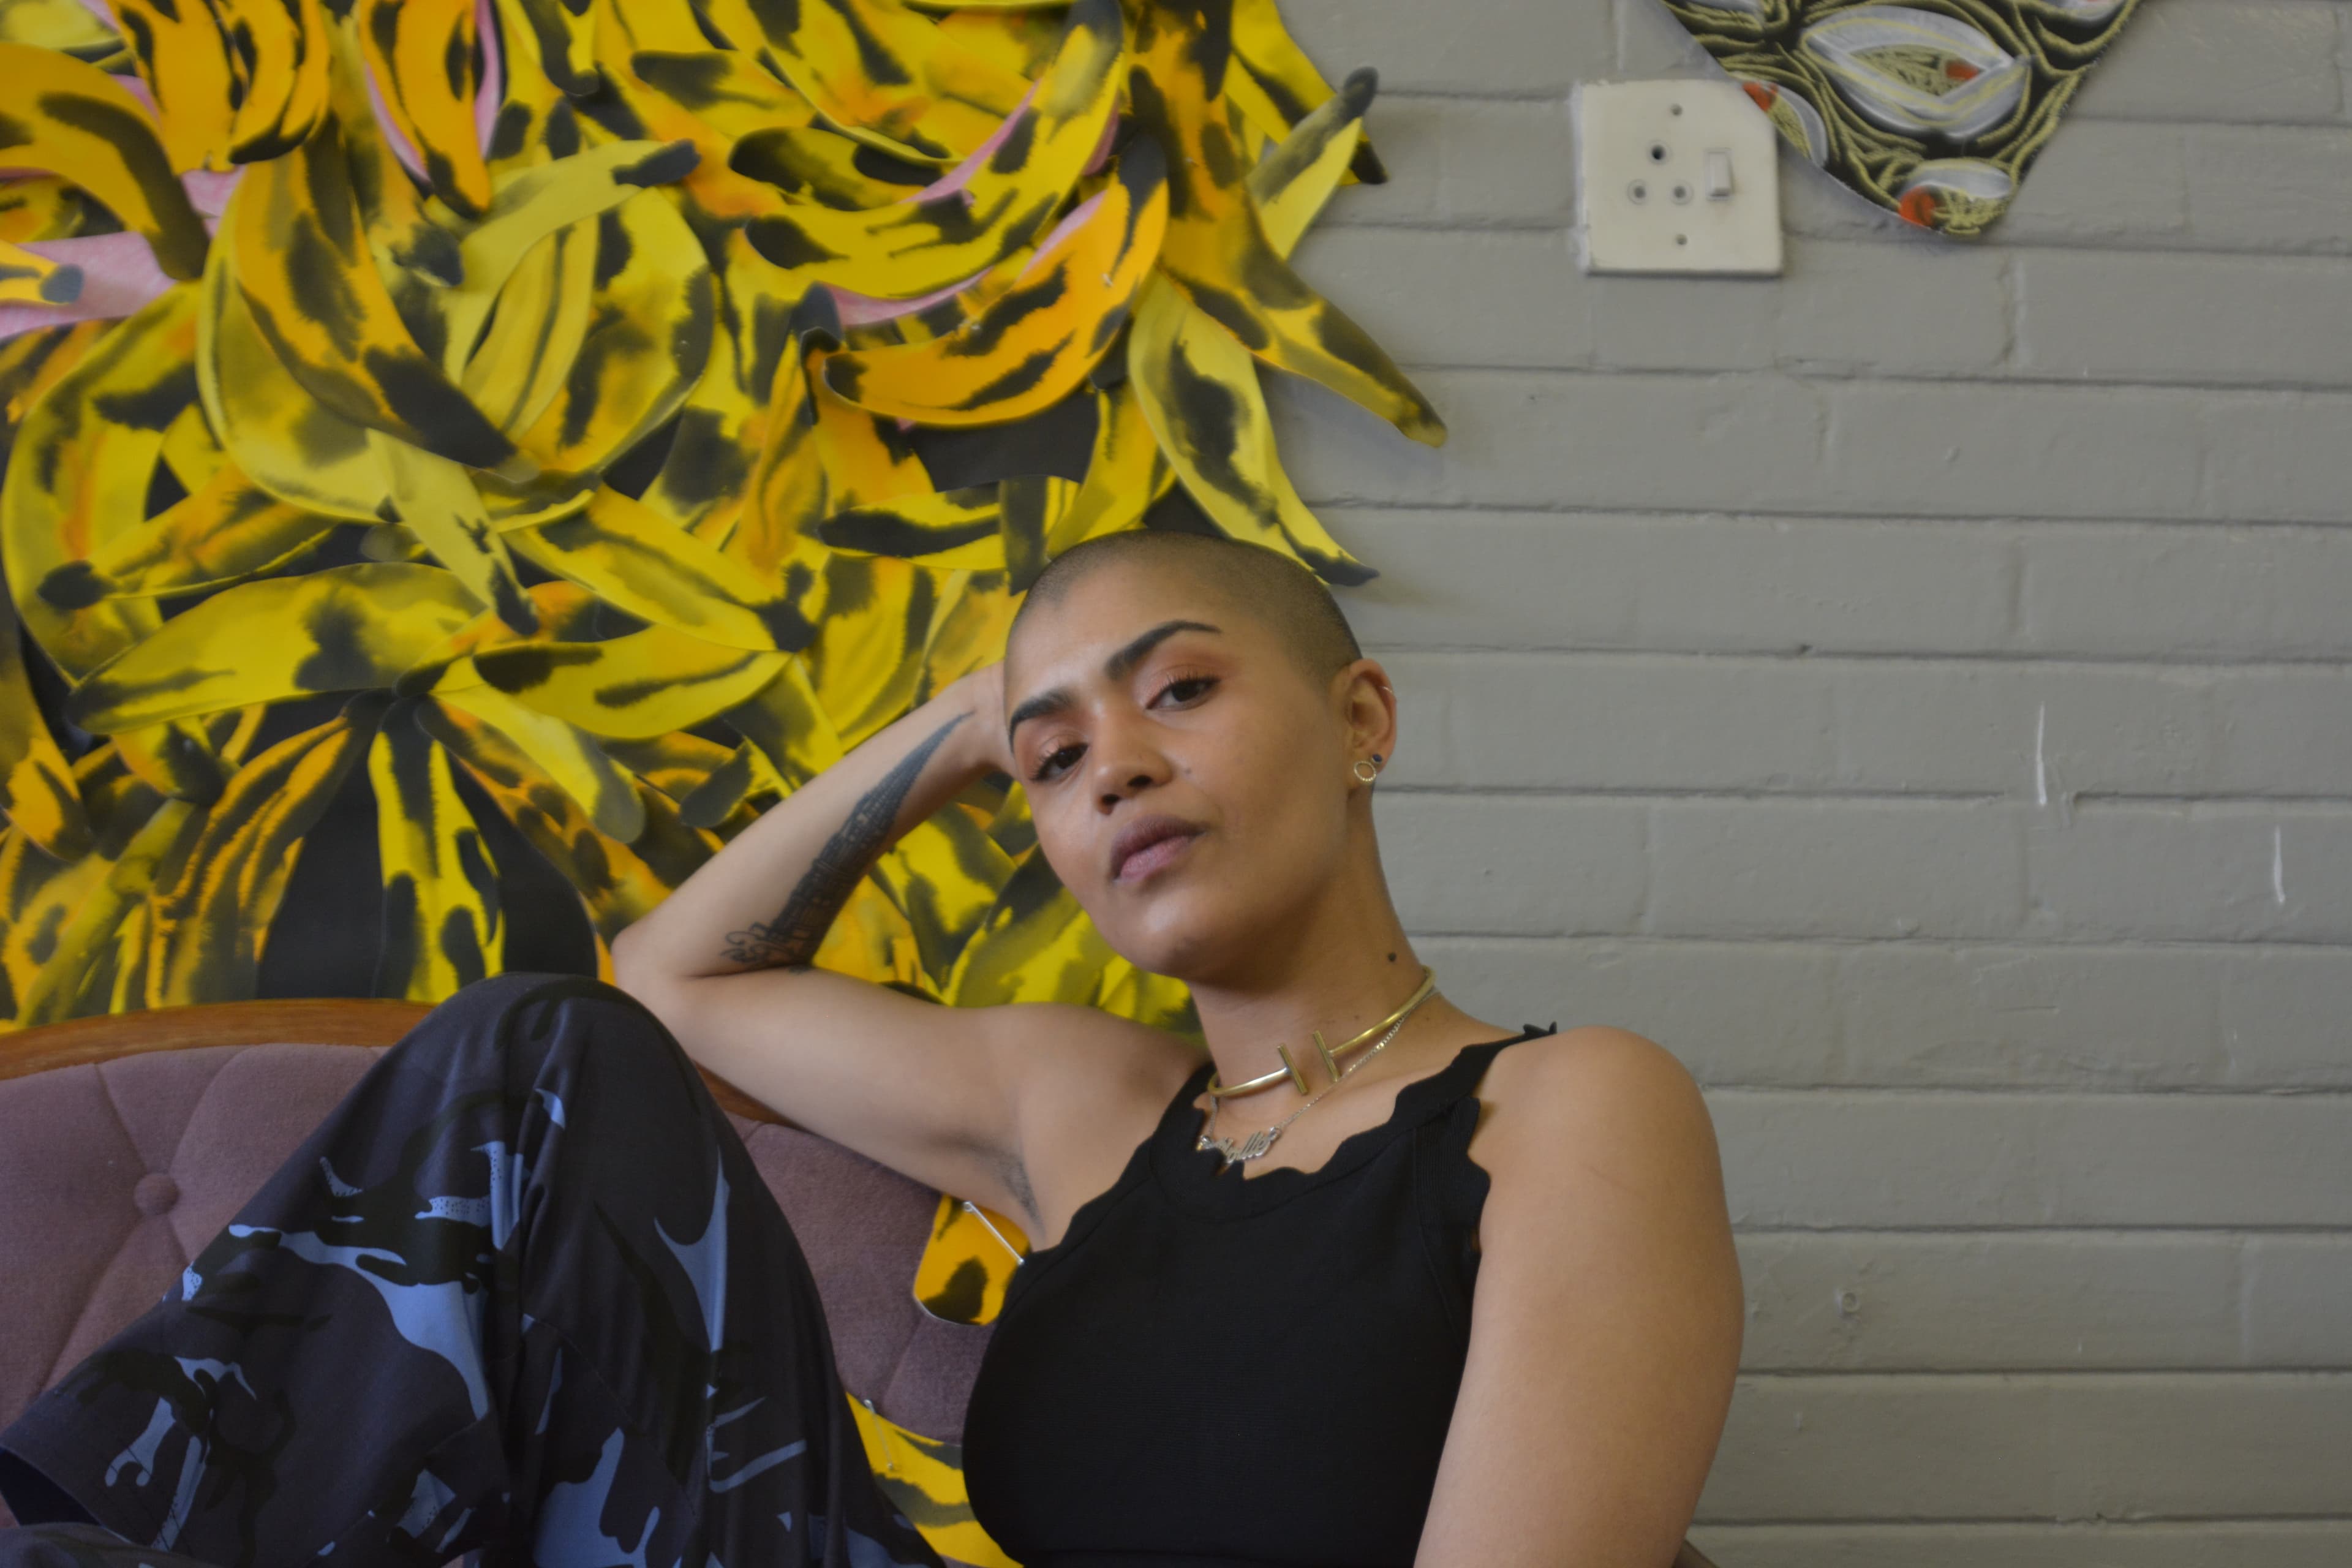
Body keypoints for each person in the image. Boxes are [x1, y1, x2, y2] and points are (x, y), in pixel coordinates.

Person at [0, 532, 1743, 1568]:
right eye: (1058, 761)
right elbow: (667, 984)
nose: (1114, 767)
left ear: (1362, 720)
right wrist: (957, 729)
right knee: (544, 1051)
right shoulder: (1088, 1112)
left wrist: (1052, 708)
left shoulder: (1568, 1105)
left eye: (1181, 691)